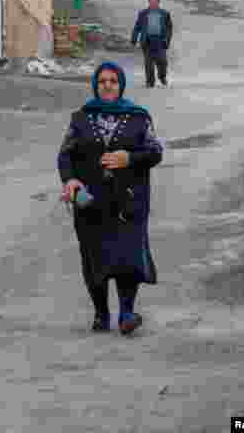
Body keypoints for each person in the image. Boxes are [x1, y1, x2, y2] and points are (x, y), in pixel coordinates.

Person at [58, 61, 163, 336]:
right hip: (91, 201)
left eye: (113, 81)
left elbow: (155, 152)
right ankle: (101, 313)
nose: (107, 85)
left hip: (129, 201)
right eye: (102, 81)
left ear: (121, 85)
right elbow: (65, 155)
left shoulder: (139, 117)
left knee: (128, 256)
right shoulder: (81, 118)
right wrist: (69, 179)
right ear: (95, 85)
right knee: (94, 256)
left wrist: (129, 157)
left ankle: (127, 314)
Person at [131, 0, 173, 88]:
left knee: (162, 62)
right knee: (148, 64)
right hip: (147, 41)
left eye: (155, 2)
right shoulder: (143, 13)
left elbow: (169, 28)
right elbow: (137, 27)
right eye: (151, 2)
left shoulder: (165, 14)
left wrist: (167, 40)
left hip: (160, 41)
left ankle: (162, 77)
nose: (153, 4)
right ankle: (150, 81)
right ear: (149, 2)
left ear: (158, 2)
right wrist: (134, 39)